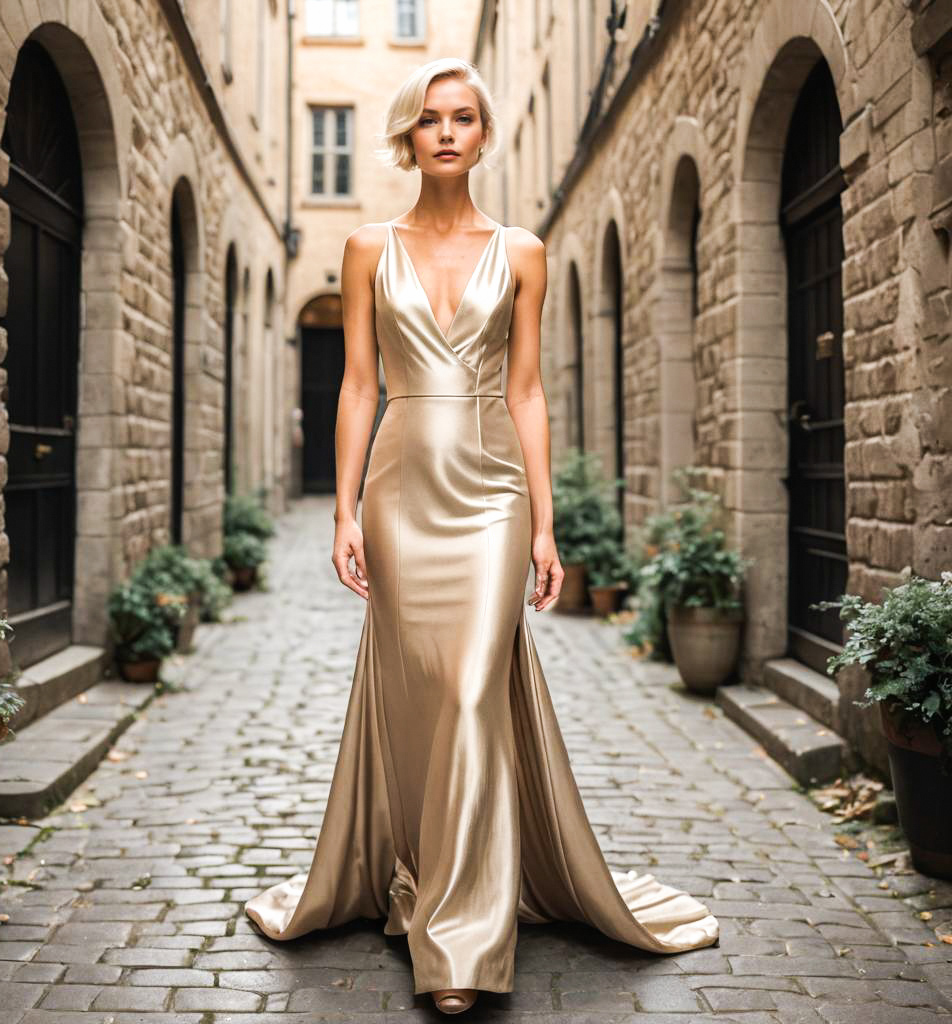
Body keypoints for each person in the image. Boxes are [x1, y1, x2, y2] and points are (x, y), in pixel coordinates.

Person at [244, 57, 719, 1015]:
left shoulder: (527, 250)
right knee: (423, 694)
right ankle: (419, 871)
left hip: (494, 495)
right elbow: (358, 388)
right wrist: (342, 509)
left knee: (469, 690)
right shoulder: (368, 248)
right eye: (431, 120)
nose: (448, 133)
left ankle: (459, 940)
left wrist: (545, 524)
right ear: (408, 136)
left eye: (464, 118)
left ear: (485, 134)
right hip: (400, 489)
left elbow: (529, 391)